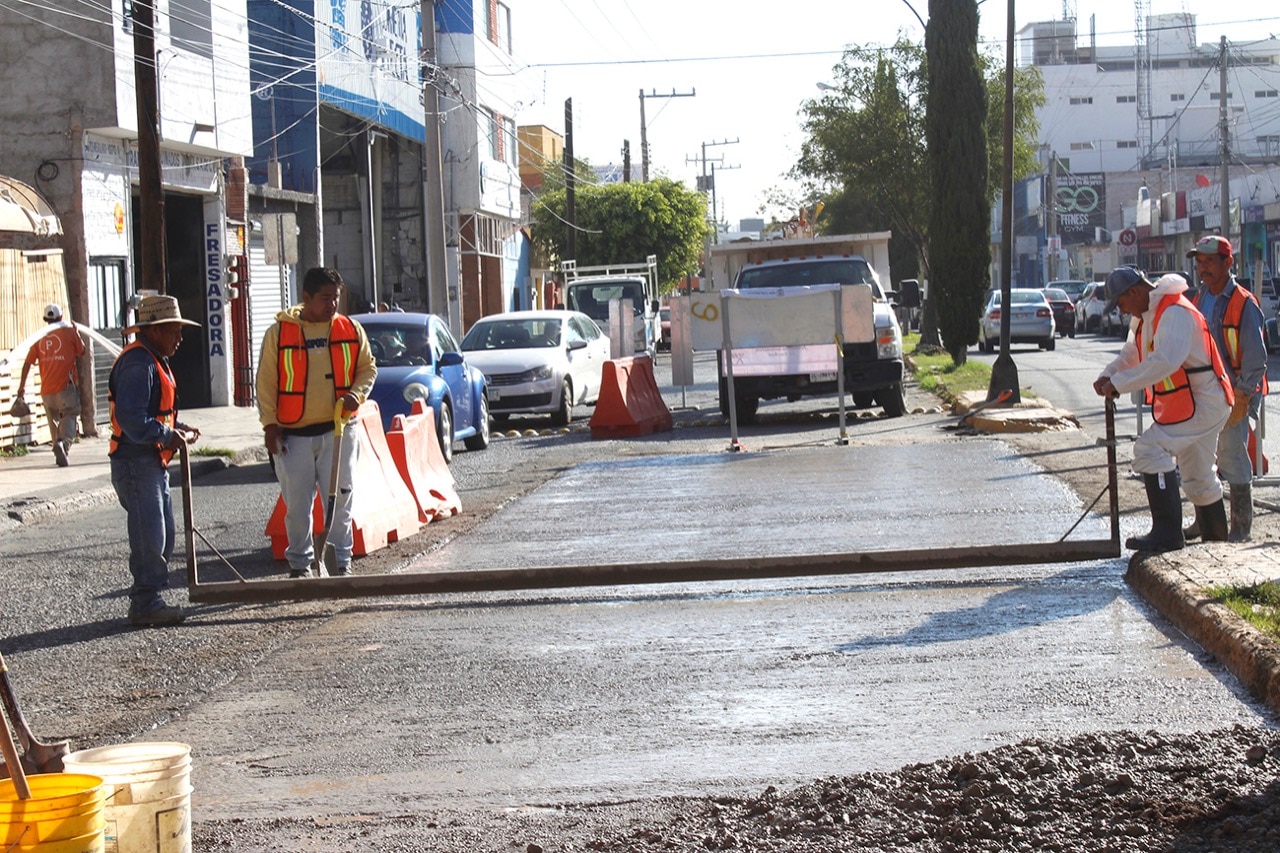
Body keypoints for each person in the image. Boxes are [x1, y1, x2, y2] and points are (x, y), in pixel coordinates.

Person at [1093, 268, 1234, 552]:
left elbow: (1165, 361)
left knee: (1149, 449)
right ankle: (1218, 546)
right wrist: (1109, 374)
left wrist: (1118, 384)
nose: (1122, 311)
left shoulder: (1174, 312)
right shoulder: (1146, 316)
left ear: (1135, 292)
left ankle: (1167, 534)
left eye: (1121, 303)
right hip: (1193, 403)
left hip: (1204, 401)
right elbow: (1131, 354)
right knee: (1199, 476)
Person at [257, 267, 377, 578]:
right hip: (293, 435)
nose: (332, 304)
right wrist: (270, 425)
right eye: (325, 298)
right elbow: (266, 382)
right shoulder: (279, 334)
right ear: (306, 297)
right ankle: (301, 565)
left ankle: (340, 563)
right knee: (297, 505)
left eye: (335, 297)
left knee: (340, 499)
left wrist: (356, 394)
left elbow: (367, 368)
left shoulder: (350, 329)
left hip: (339, 431)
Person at [108, 295, 202, 627]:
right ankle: (145, 603)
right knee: (150, 536)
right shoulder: (139, 363)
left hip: (150, 460)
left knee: (163, 533)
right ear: (153, 330)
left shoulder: (151, 358)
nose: (179, 338)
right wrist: (166, 434)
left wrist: (176, 429)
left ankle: (149, 599)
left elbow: (152, 414)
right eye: (174, 331)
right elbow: (132, 418)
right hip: (136, 461)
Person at [1185, 235, 1268, 542]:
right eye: (1199, 262)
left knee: (1232, 455)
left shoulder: (1243, 303)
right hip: (1206, 392)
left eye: (1209, 261)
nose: (1203, 268)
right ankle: (1205, 522)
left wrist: (1243, 398)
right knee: (1201, 459)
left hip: (1235, 393)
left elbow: (1256, 358)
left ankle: (1241, 528)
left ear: (1228, 263)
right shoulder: (1199, 297)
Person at [16, 304, 85, 467]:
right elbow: (82, 351)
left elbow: (27, 363)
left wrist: (21, 388)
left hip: (46, 391)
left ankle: (58, 448)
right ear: (61, 317)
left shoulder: (39, 337)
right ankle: (63, 445)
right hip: (65, 388)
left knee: (53, 423)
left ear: (46, 319)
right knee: (70, 415)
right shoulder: (69, 332)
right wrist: (76, 333)